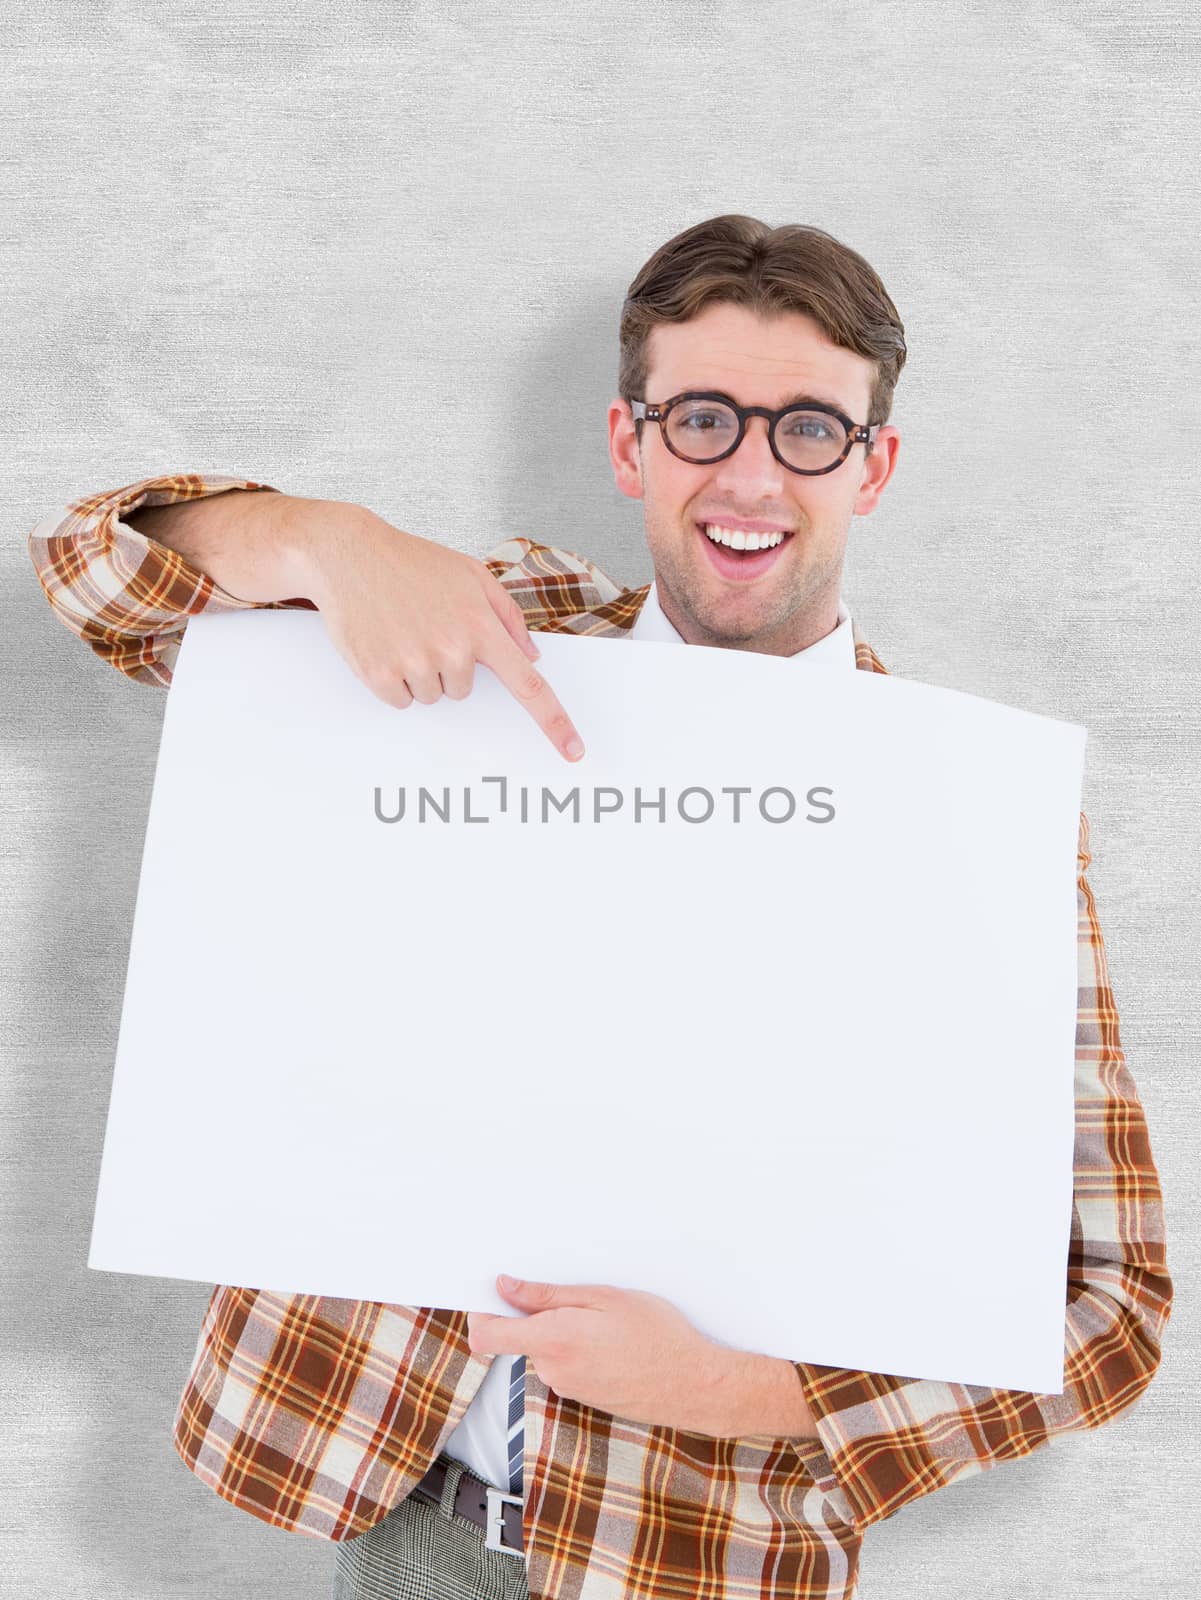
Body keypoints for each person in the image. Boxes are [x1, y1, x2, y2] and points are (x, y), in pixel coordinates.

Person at [26, 214, 1173, 1600]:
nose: (748, 474)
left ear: (870, 469)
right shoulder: (480, 636)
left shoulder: (978, 822)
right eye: (702, 418)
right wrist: (320, 540)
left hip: (690, 1563)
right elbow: (99, 572)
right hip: (401, 1530)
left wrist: (754, 1391)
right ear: (629, 445)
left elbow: (1109, 1313)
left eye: (807, 428)